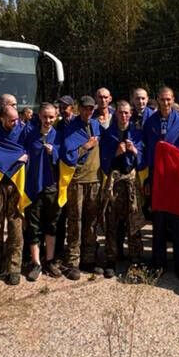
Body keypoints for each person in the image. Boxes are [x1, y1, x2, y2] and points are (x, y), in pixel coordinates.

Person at [141, 87, 179, 274]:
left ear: (173, 99)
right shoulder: (150, 122)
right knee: (158, 220)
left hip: (175, 177)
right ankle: (158, 262)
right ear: (158, 100)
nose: (166, 103)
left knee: (177, 221)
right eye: (162, 99)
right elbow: (146, 150)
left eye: (169, 99)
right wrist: (147, 179)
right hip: (156, 177)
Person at [98, 100, 145, 279]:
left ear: (130, 114)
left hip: (131, 181)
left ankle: (136, 258)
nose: (123, 116)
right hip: (115, 182)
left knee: (134, 219)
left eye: (126, 113)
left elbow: (143, 161)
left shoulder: (137, 133)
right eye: (120, 112)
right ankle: (111, 258)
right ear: (115, 113)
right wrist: (115, 154)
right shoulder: (109, 134)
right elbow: (103, 161)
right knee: (112, 221)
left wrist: (135, 152)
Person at [0, 105, 28, 285]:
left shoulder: (24, 131)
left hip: (16, 184)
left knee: (15, 226)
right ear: (1, 118)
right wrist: (14, 157)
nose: (15, 122)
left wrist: (25, 156)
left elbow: (33, 148)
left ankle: (13, 267)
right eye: (11, 119)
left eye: (16, 118)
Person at [61, 96, 103, 278]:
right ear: (79, 109)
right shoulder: (71, 128)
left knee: (91, 221)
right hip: (77, 181)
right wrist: (86, 146)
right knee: (75, 221)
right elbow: (66, 154)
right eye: (85, 108)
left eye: (91, 109)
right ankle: (72, 261)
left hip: (94, 180)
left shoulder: (96, 125)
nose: (89, 112)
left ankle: (89, 259)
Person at [22, 102, 62, 281]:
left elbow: (66, 158)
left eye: (51, 117)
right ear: (39, 116)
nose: (48, 120)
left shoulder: (58, 136)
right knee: (34, 226)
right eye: (45, 117)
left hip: (52, 187)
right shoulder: (30, 135)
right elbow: (19, 150)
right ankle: (36, 263)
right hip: (33, 187)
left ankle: (50, 260)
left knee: (51, 224)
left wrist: (54, 152)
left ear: (56, 117)